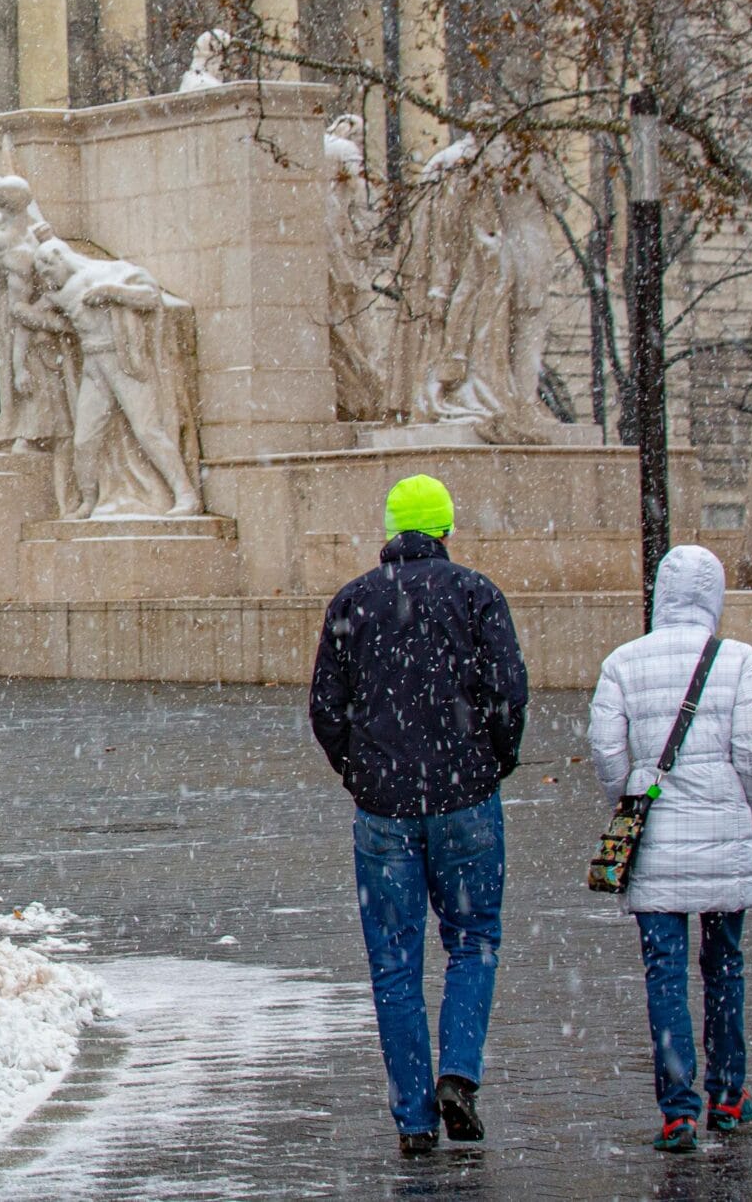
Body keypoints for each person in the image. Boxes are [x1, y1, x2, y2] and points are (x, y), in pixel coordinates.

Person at [311, 473, 529, 1154]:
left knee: (394, 961)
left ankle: (413, 1116)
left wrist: (361, 769)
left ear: (389, 532)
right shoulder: (476, 594)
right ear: (444, 532)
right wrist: (491, 758)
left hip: (384, 807)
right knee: (472, 941)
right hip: (465, 796)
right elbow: (508, 691)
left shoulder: (352, 601)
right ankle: (458, 1072)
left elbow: (326, 707)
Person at [588, 544, 752, 1153]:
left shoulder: (623, 661)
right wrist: (746, 802)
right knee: (725, 965)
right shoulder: (739, 660)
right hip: (722, 833)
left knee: (664, 972)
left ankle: (678, 1109)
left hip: (656, 839)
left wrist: (635, 789)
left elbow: (607, 756)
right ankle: (728, 1092)